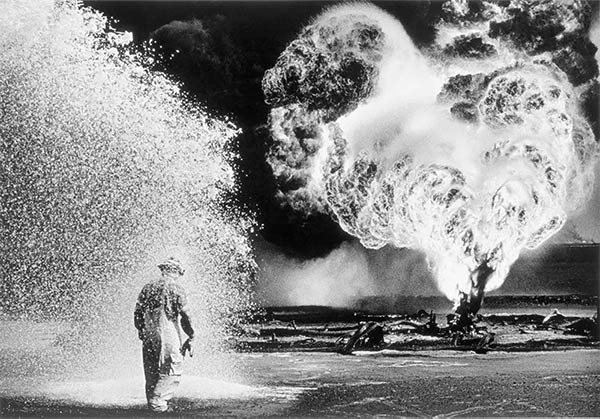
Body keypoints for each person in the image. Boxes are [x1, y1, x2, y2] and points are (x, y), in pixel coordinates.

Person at [134, 257, 195, 412]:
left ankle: (152, 405)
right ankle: (158, 405)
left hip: (149, 333)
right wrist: (192, 335)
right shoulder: (175, 288)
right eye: (179, 273)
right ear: (175, 271)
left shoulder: (147, 287)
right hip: (167, 333)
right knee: (171, 368)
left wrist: (141, 330)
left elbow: (138, 313)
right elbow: (186, 316)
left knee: (152, 372)